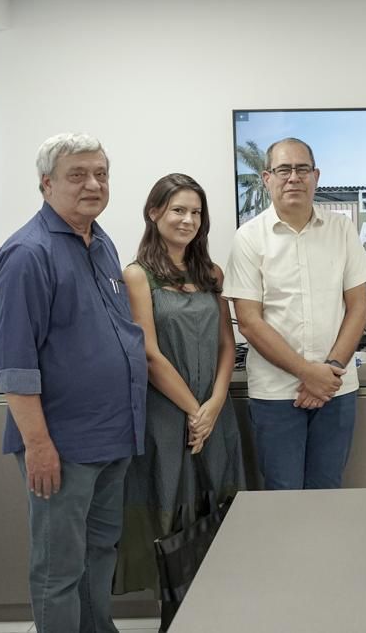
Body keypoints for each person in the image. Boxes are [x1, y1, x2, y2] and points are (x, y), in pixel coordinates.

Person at [0, 133, 147, 633]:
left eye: (100, 174)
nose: (93, 184)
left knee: (99, 554)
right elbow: (15, 365)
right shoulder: (26, 255)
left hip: (113, 436)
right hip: (61, 444)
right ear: (46, 184)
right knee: (59, 568)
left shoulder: (101, 243)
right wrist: (38, 445)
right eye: (77, 175)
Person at [114, 174, 245, 605]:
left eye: (196, 212)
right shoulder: (136, 275)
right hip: (170, 417)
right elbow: (148, 354)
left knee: (220, 510)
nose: (188, 220)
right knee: (171, 514)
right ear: (154, 213)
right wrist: (195, 411)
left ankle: (222, 610)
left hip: (214, 412)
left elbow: (228, 343)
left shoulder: (211, 272)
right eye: (178, 210)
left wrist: (217, 402)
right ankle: (176, 614)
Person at [223, 137, 366, 490]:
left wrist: (330, 371)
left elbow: (359, 306)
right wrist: (308, 373)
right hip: (277, 395)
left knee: (327, 489)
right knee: (283, 493)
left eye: (302, 169)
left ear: (315, 176)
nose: (294, 177)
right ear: (267, 178)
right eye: (284, 170)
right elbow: (249, 320)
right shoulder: (248, 238)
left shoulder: (342, 230)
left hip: (336, 389)